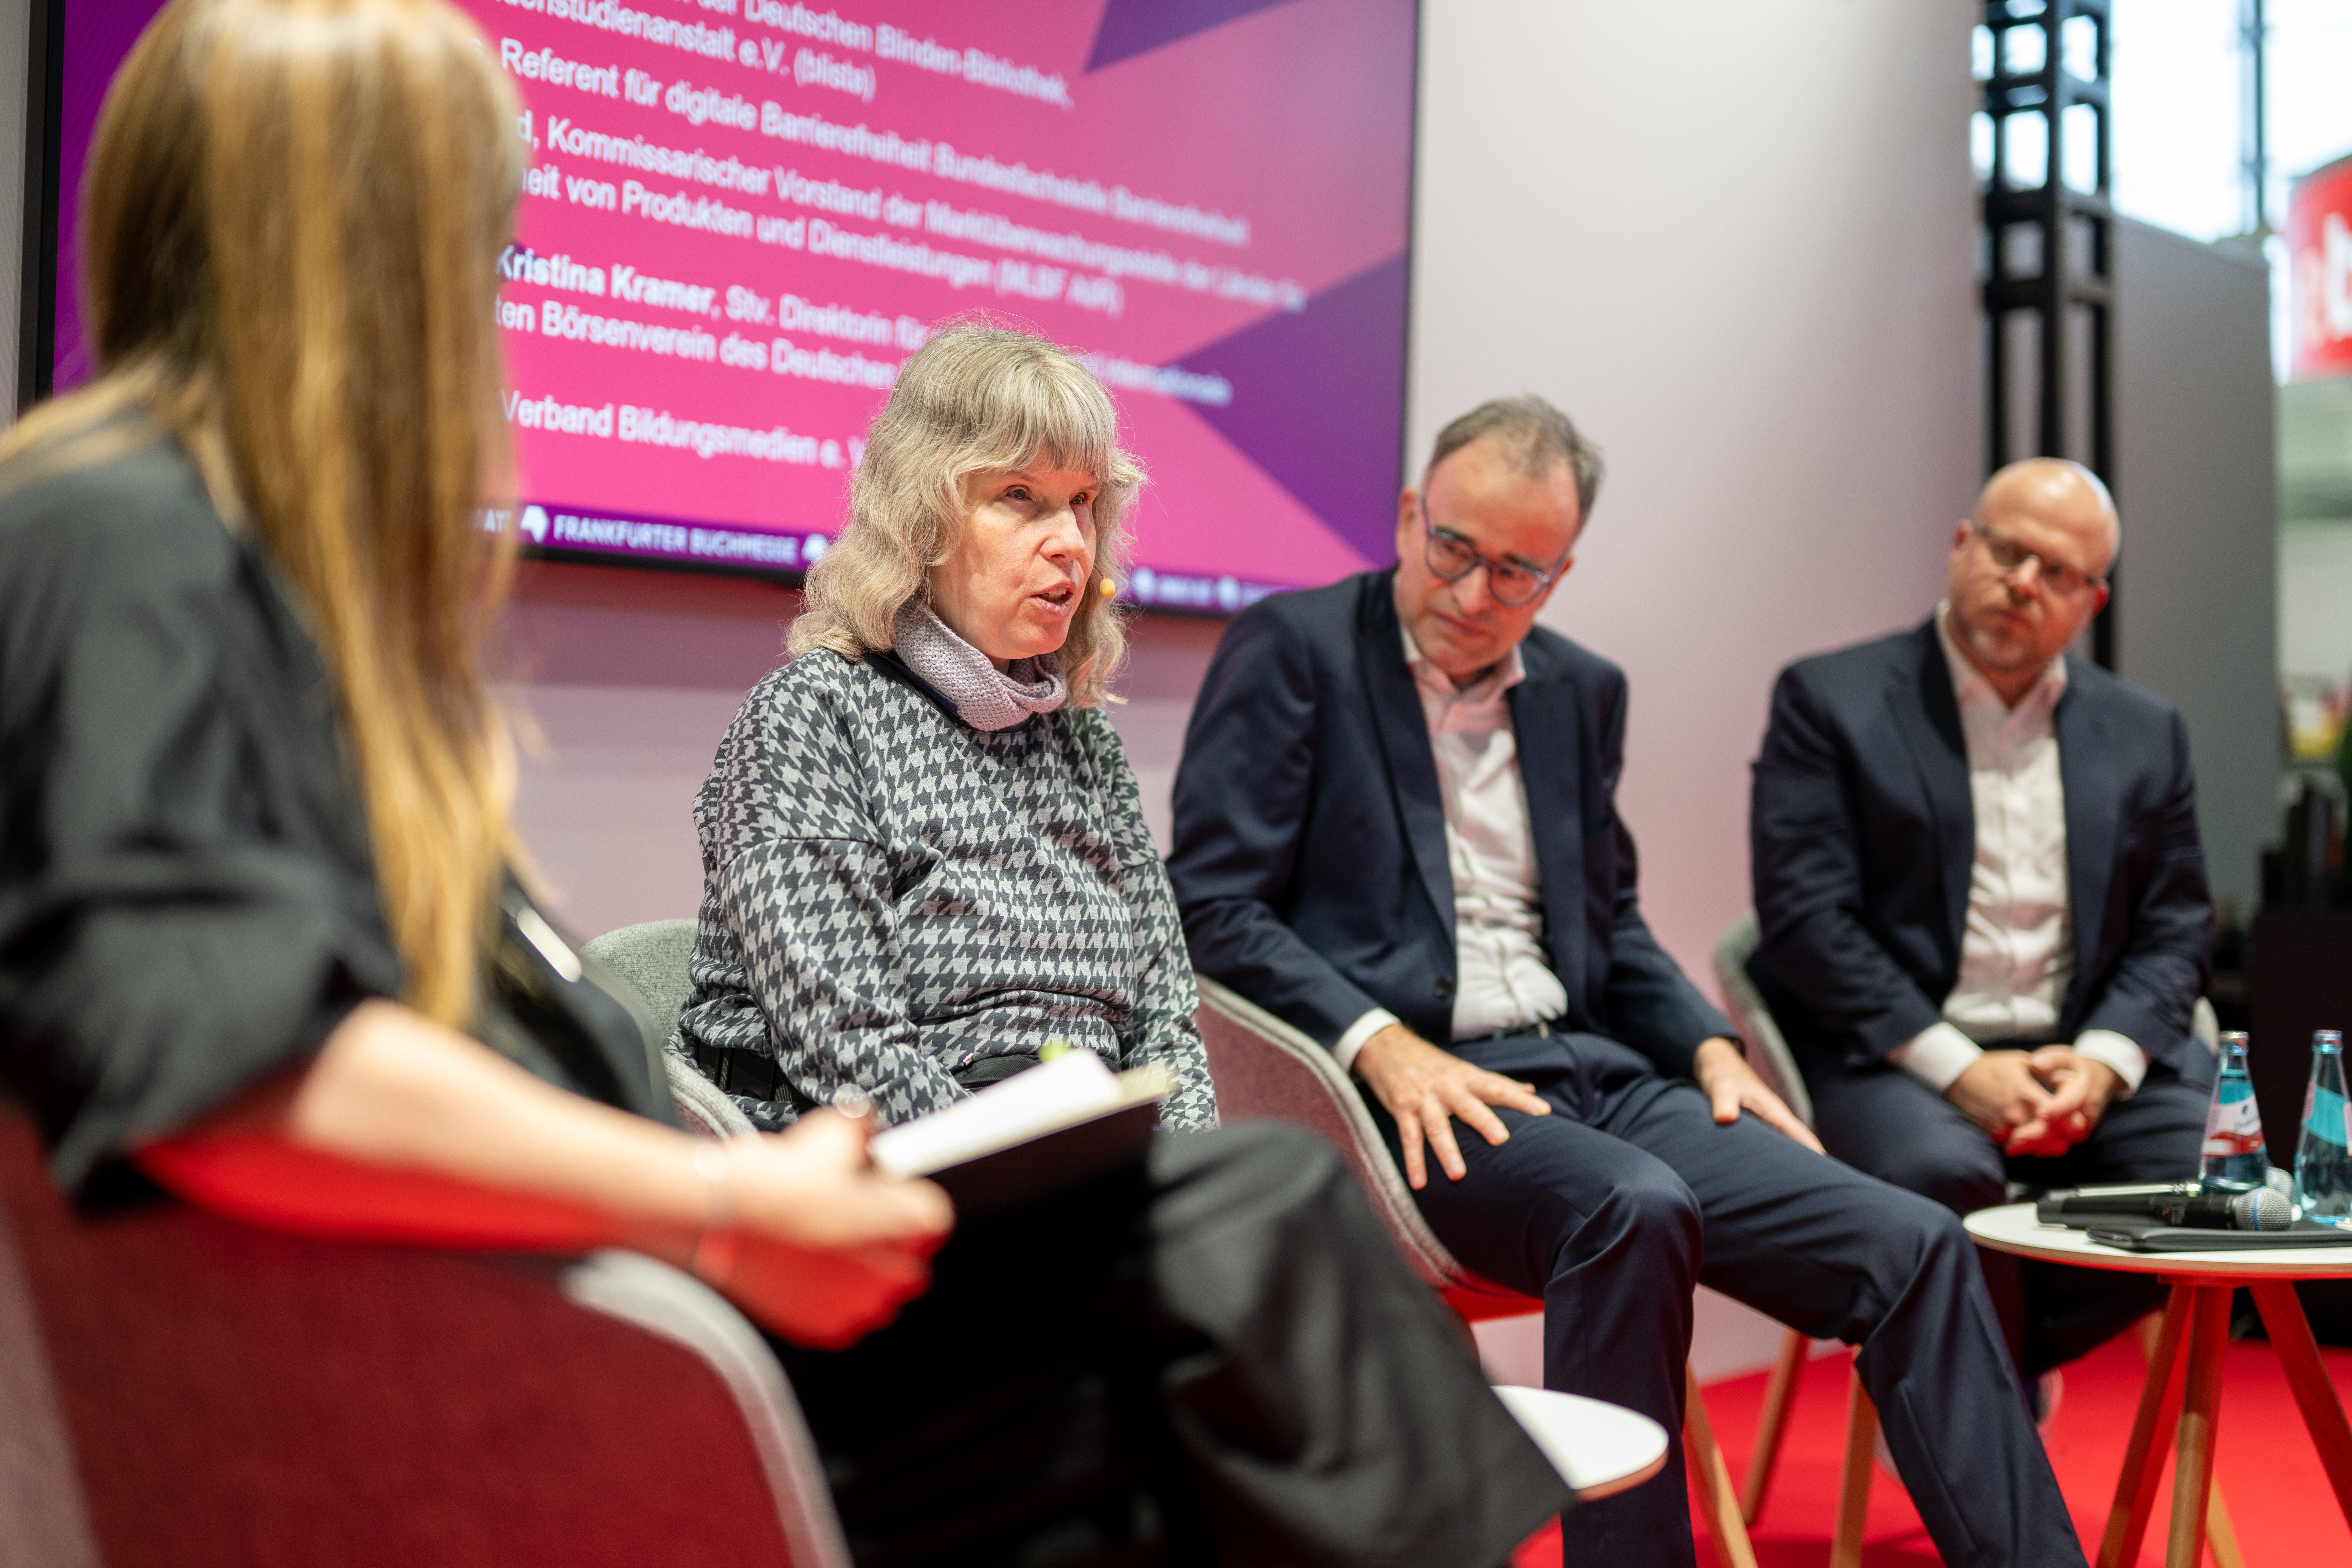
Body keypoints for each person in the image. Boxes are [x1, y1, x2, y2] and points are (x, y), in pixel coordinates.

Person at [0, 9, 1565, 1567]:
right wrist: (714, 1202)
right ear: (362, 262)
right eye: (486, 266)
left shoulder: (237, 582)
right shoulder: (128, 538)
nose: (493, 324)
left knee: (1243, 1278)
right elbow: (234, 1065)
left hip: (630, 1316)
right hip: (595, 1367)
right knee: (1251, 1264)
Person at [674, 325, 1570, 1567]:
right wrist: (1092, 1201)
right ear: (922, 515)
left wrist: (1175, 1186)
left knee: (1269, 1236)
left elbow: (1162, 1010)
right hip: (912, 1180)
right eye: (1020, 500)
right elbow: (847, 1048)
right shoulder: (815, 717)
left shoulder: (1081, 745)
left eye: (1085, 506)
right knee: (1298, 1222)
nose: (1068, 545)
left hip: (1090, 1173)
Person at [1170, 396, 2087, 1568]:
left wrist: (1711, 1046)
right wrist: (1377, 1041)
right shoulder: (1295, 648)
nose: (1471, 592)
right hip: (1418, 1094)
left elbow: (1615, 923)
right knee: (1630, 1207)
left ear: (1558, 575)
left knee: (1912, 1240)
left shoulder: (1582, 689)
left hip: (1598, 1073)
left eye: (1516, 571)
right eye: (1452, 547)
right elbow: (1211, 902)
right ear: (1409, 515)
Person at [1748, 458, 2211, 1392]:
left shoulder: (2146, 730)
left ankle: (1968, 1377)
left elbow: (2177, 926)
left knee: (2219, 1190)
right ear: (1963, 546)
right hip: (1899, 1055)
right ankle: (1988, 1408)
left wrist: (2102, 1062)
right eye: (2008, 552)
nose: (2025, 584)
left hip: (2075, 1051)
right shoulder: (1829, 700)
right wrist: (1962, 1071)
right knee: (1937, 1178)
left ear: (2093, 600)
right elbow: (1806, 921)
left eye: (2060, 573)